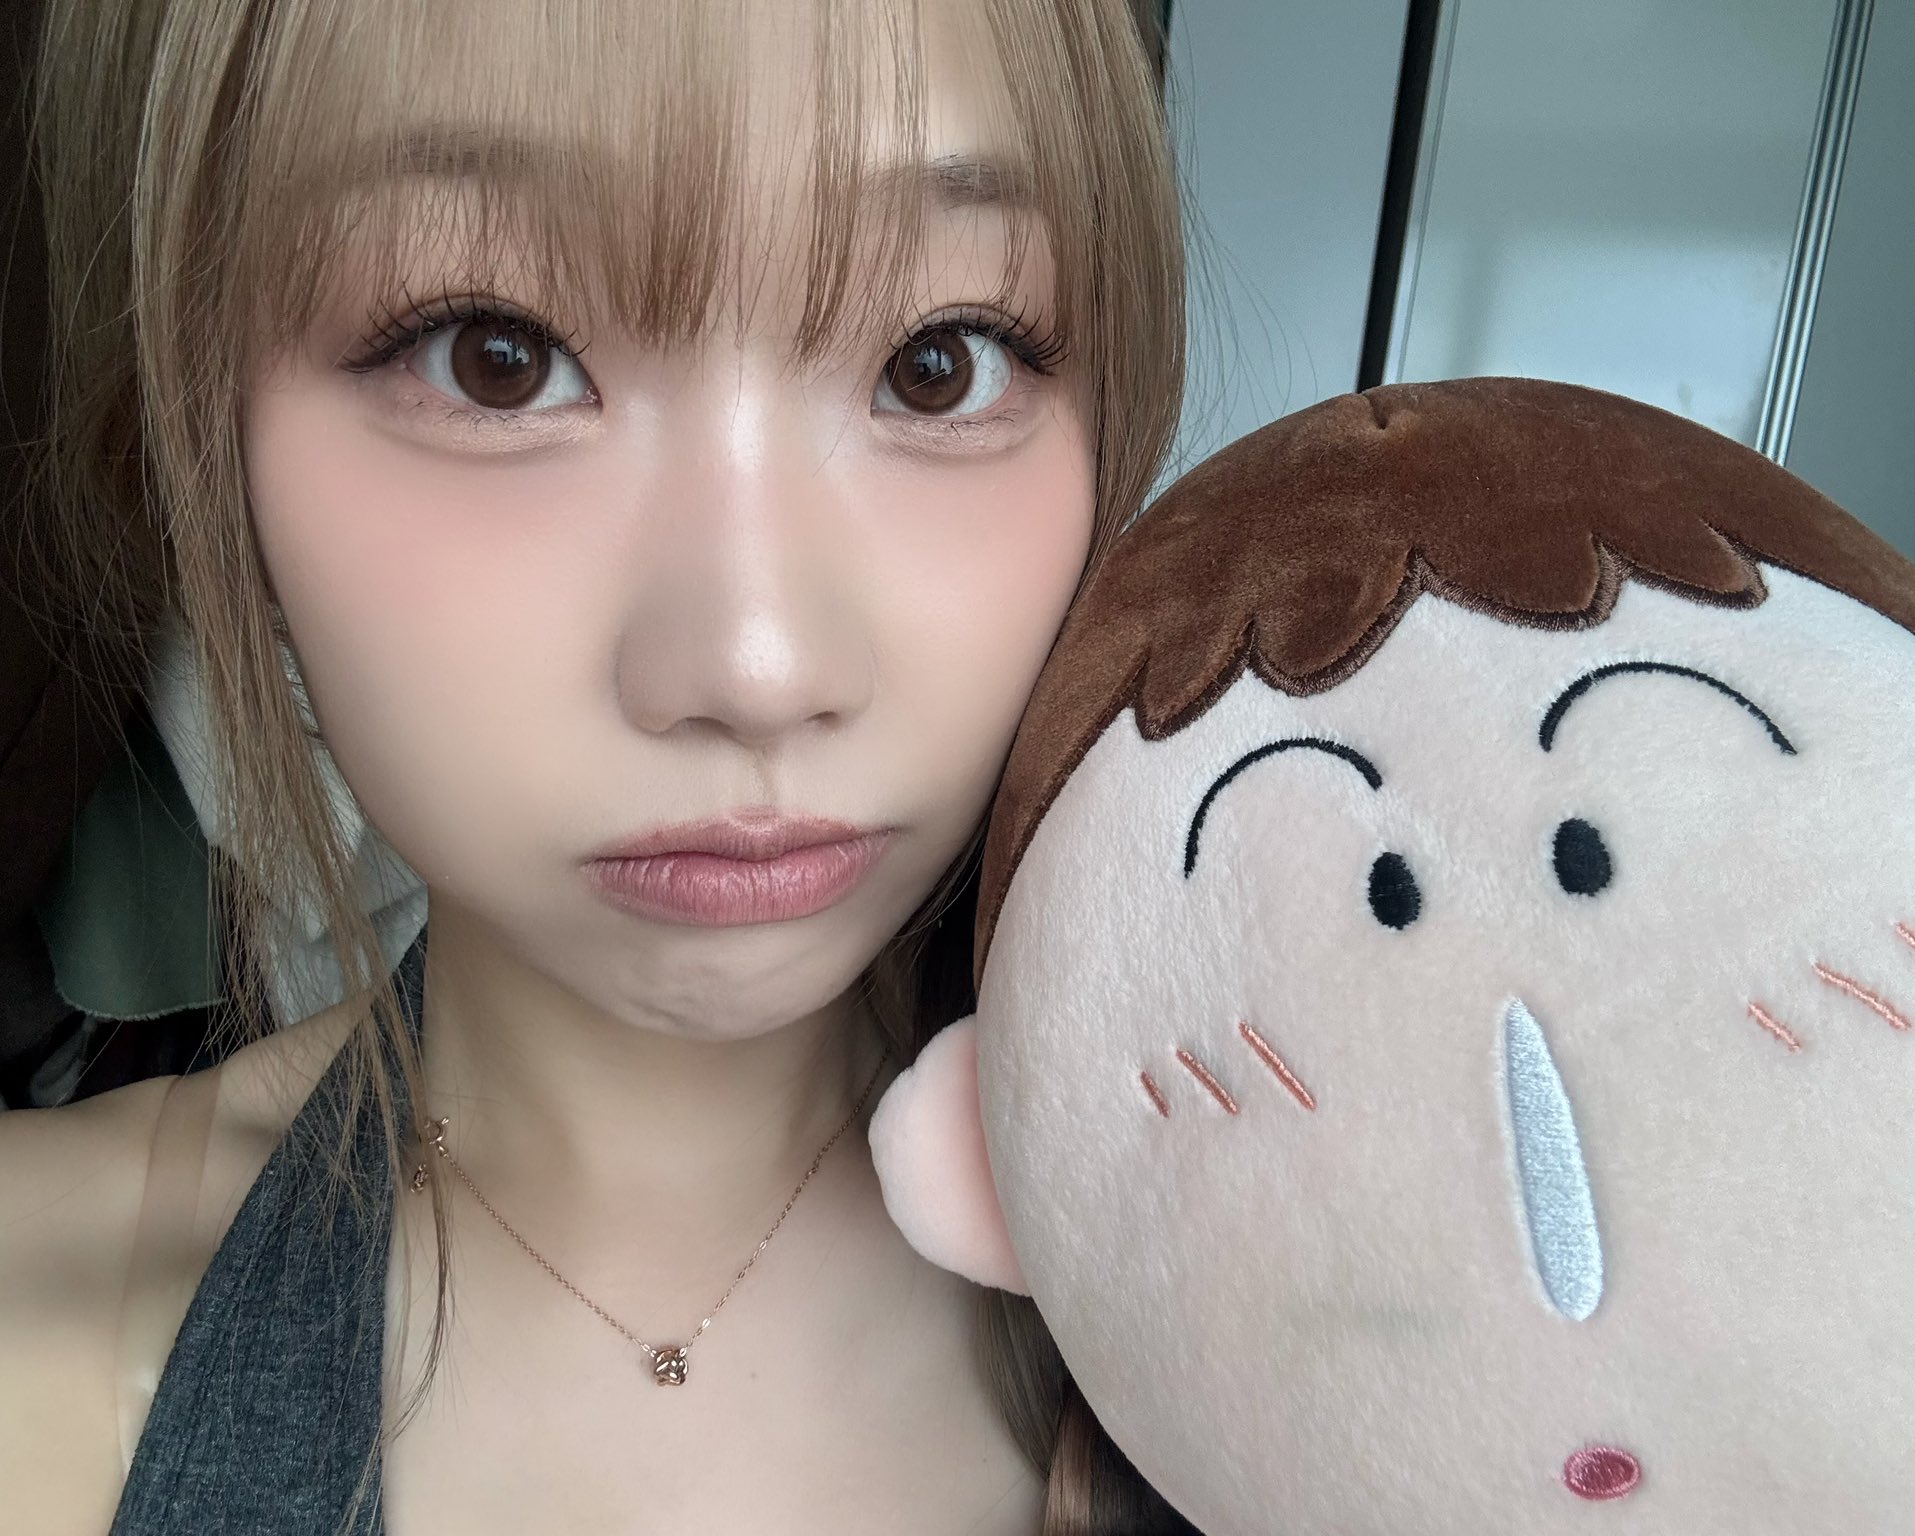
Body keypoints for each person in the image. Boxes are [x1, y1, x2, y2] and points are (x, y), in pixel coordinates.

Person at [0, 1, 1190, 1531]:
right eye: (497, 362)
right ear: (207, 435)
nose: (757, 663)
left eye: (938, 363)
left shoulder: (1303, 1259)